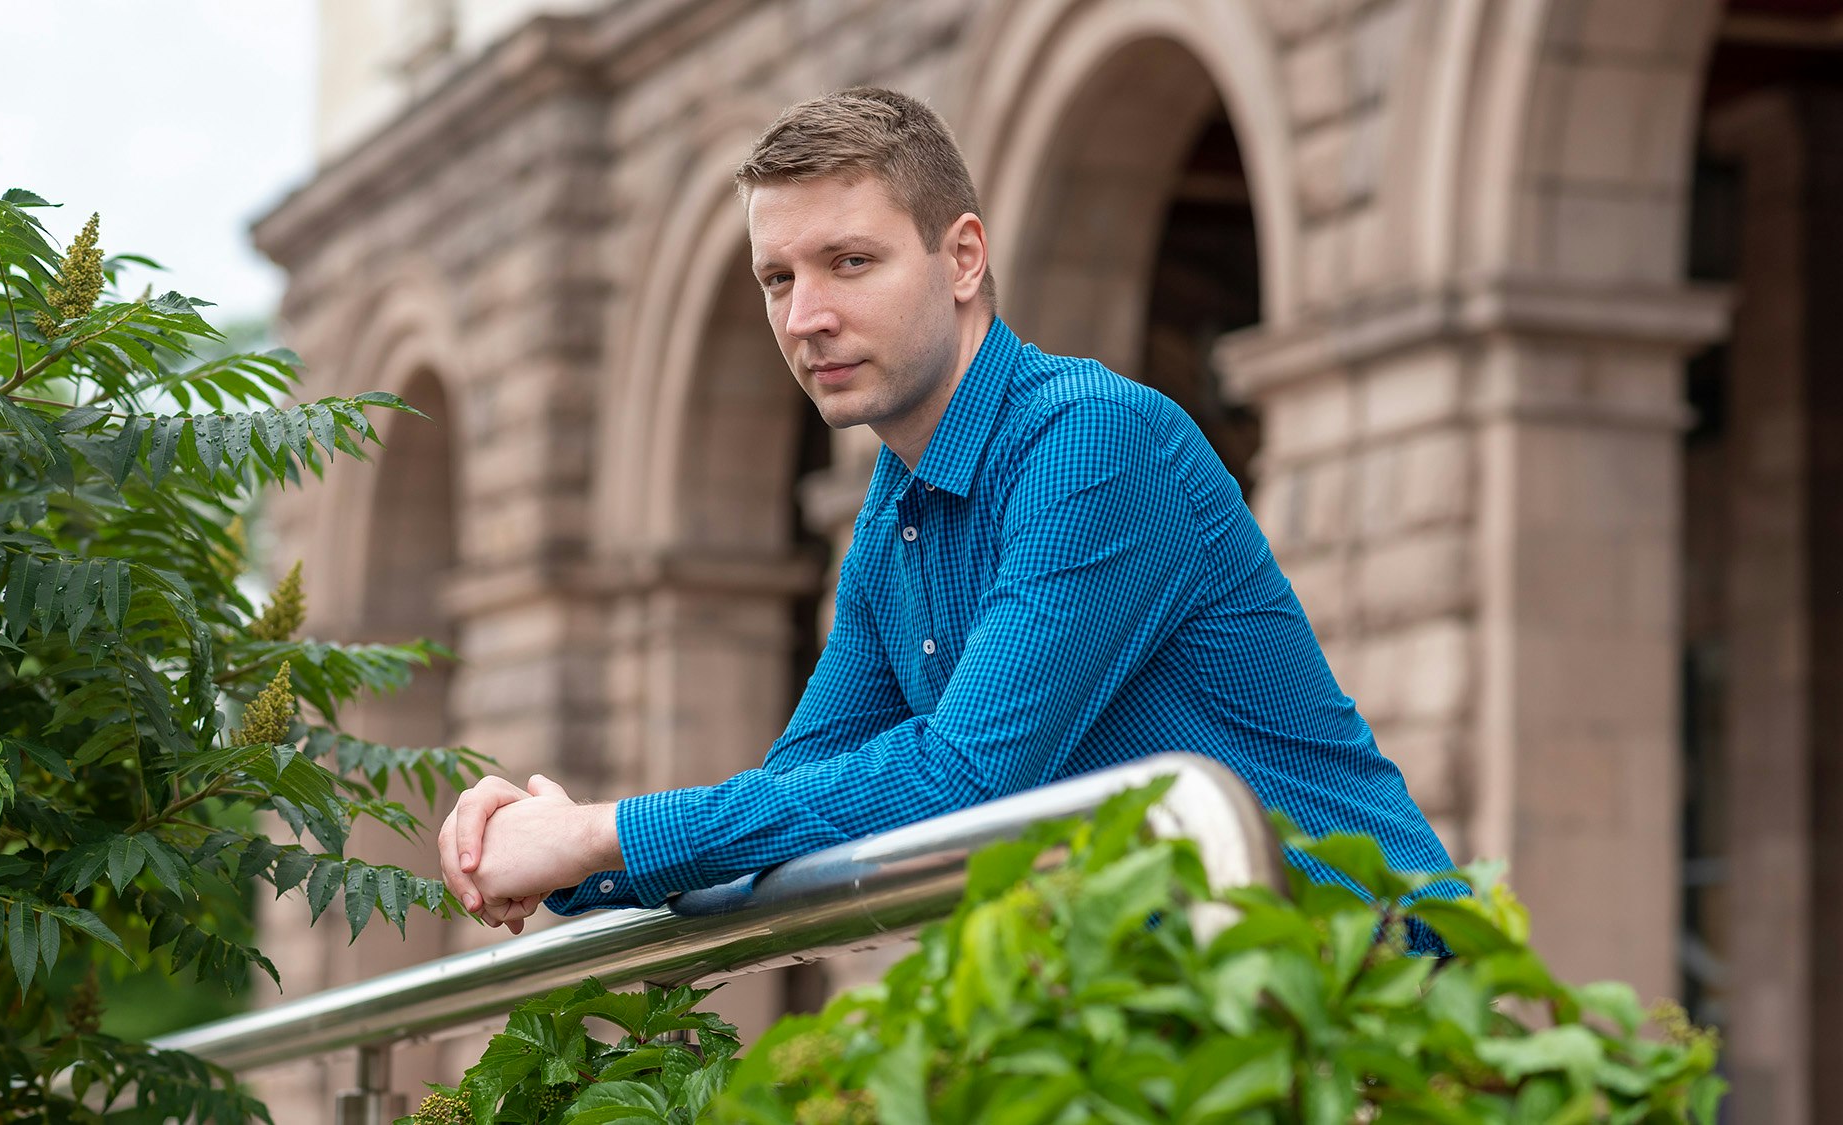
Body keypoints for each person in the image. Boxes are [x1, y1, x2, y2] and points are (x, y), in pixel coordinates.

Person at [436, 86, 1455, 937]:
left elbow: (962, 779)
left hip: (1375, 997)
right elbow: (796, 804)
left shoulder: (1092, 444)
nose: (804, 318)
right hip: (1185, 1021)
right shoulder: (894, 518)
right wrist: (556, 847)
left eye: (849, 262)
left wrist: (604, 835)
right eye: (776, 279)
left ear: (962, 258)